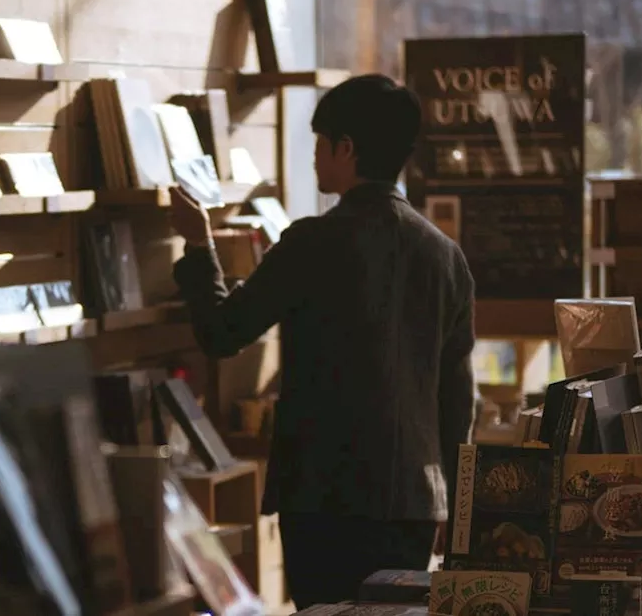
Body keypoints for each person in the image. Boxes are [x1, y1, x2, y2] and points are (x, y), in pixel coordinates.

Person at [167, 74, 477, 607]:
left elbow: (222, 332)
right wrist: (455, 504)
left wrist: (199, 244)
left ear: (346, 148)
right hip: (413, 502)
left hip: (322, 499)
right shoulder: (446, 256)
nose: (314, 158)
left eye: (319, 143)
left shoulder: (310, 243)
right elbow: (456, 400)